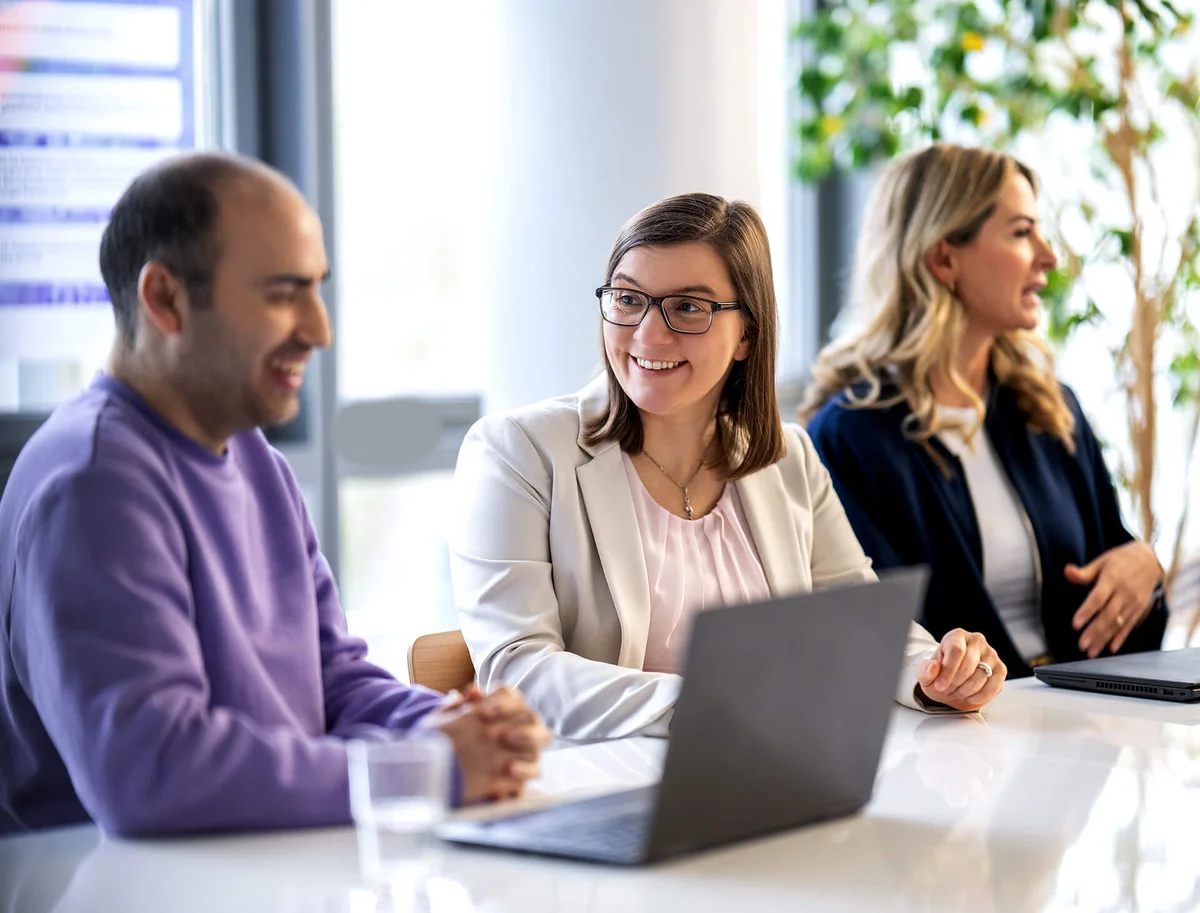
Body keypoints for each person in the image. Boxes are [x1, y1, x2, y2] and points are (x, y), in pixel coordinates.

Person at [0, 152, 550, 837]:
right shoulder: (93, 481)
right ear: (165, 299)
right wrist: (426, 762)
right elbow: (152, 771)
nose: (319, 330)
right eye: (283, 293)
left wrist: (456, 728)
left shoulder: (251, 452)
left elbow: (334, 681)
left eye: (316, 289)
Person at [449, 192, 1007, 741]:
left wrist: (933, 671)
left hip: (765, 775)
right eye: (627, 299)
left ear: (747, 335)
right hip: (596, 787)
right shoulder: (518, 451)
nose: (649, 333)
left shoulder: (788, 459)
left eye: (689, 307)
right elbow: (516, 666)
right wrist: (705, 703)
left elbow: (856, 618)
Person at [801, 143, 1167, 677]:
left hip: (1083, 728)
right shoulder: (849, 438)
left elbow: (1120, 607)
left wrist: (1144, 566)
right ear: (944, 258)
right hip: (951, 743)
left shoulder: (1050, 411)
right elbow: (884, 644)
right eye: (1021, 232)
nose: (1049, 255)